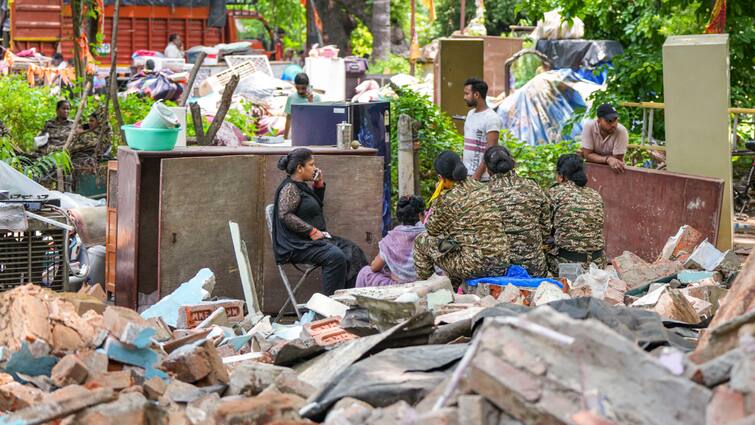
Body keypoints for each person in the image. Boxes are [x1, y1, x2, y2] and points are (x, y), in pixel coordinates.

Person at [272, 148, 368, 295]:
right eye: (311, 164)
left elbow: (313, 209)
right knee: (335, 256)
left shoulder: (302, 186)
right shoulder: (290, 188)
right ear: (300, 168)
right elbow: (285, 215)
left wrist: (318, 184)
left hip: (312, 239)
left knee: (353, 252)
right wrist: (311, 230)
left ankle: (351, 299)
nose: (314, 168)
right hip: (295, 245)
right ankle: (330, 303)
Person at [413, 151, 510, 286]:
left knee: (421, 241)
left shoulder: (448, 199)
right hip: (501, 262)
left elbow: (432, 230)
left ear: (441, 178)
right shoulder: (482, 187)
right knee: (454, 244)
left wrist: (438, 197)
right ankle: (454, 289)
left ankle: (428, 291)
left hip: (475, 267)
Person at [485, 145, 551, 277]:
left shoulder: (483, 194)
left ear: (488, 170)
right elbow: (546, 229)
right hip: (535, 270)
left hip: (499, 272)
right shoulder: (533, 187)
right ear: (513, 163)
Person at [547, 154, 606, 274]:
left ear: (561, 175)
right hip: (597, 265)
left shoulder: (555, 193)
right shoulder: (595, 195)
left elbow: (544, 226)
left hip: (569, 267)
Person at [355, 195, 426, 287]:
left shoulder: (392, 239)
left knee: (365, 272)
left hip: (400, 286)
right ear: (420, 215)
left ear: (400, 216)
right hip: (425, 285)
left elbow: (375, 267)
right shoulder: (429, 235)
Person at [462, 77, 502, 181]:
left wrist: (477, 175)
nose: (464, 97)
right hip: (467, 175)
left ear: (476, 95)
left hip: (483, 178)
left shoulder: (492, 118)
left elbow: (490, 149)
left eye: (467, 94)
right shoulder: (470, 114)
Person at [580, 103, 629, 173]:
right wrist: (608, 159)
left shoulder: (621, 131)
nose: (613, 124)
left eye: (615, 119)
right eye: (609, 121)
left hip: (614, 172)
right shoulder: (589, 126)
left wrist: (593, 156)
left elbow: (616, 161)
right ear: (599, 121)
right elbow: (587, 155)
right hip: (592, 170)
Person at [284, 72, 321, 138]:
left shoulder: (316, 98)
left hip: (312, 134)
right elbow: (288, 118)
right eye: (297, 88)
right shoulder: (291, 98)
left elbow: (318, 119)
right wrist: (285, 137)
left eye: (303, 88)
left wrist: (311, 102)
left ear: (308, 86)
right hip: (296, 134)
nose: (300, 91)